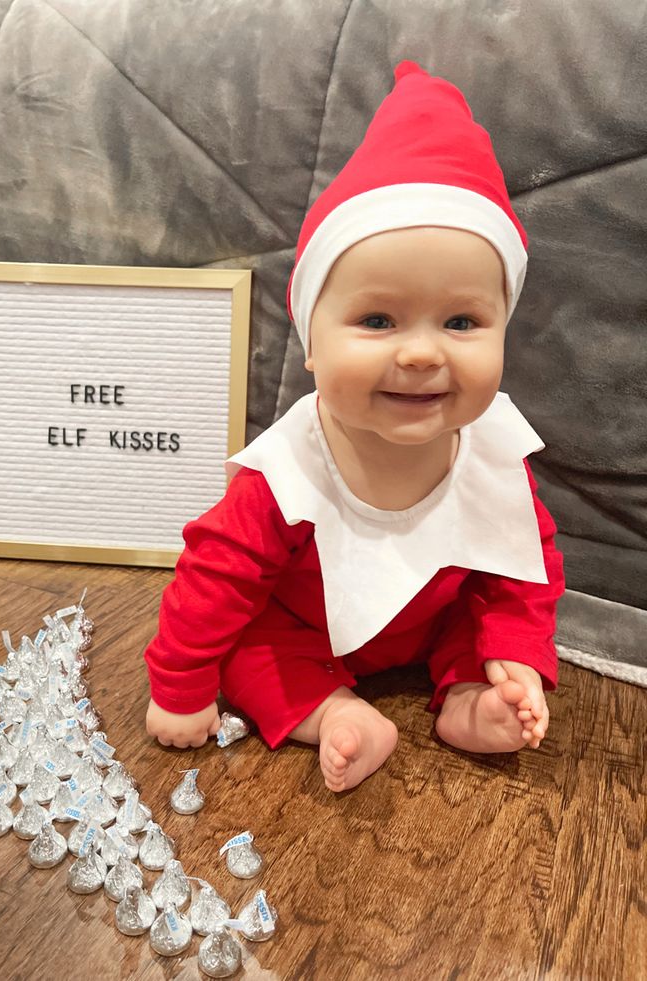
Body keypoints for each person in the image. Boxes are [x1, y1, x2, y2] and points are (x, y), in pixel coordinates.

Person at [143, 61, 566, 791]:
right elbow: (215, 575)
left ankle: (471, 700)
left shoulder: (492, 450)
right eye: (377, 319)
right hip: (302, 626)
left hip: (429, 620)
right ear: (311, 339)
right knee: (251, 650)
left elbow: (525, 563)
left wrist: (516, 650)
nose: (422, 351)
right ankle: (333, 713)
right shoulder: (290, 472)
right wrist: (180, 687)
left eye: (462, 321)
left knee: (478, 625)